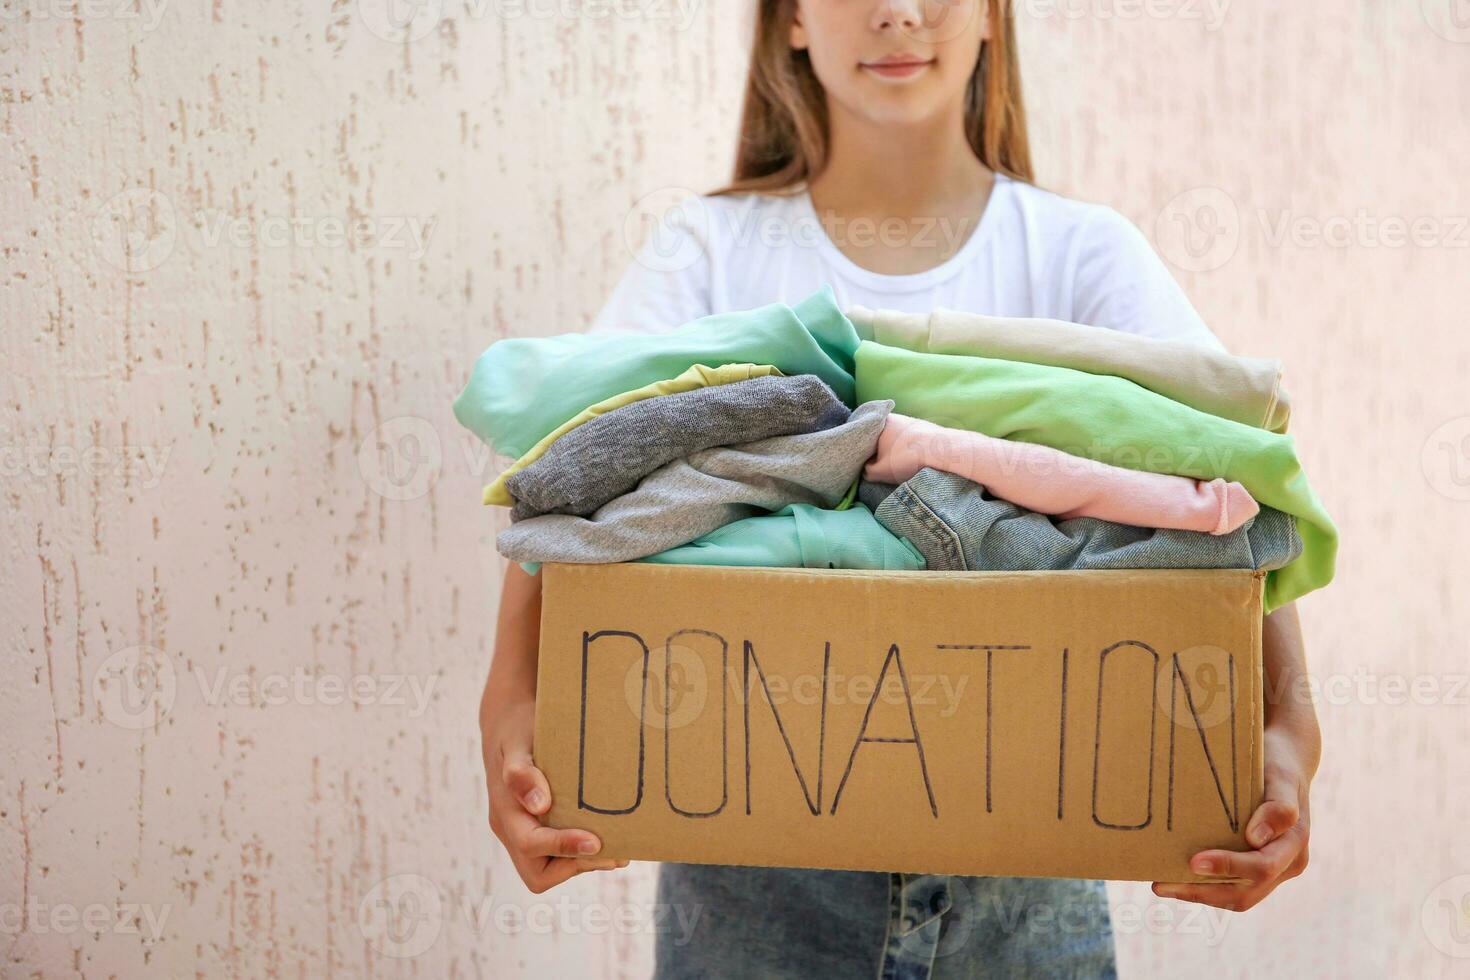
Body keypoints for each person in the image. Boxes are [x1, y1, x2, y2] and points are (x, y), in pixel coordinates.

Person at [480, 1, 1319, 975]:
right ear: (791, 18)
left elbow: (1231, 490)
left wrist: (1290, 737)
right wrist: (508, 714)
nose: (897, 13)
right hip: (750, 890)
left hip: (1030, 899)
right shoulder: (707, 248)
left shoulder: (1079, 254)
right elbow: (577, 473)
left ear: (993, 17)